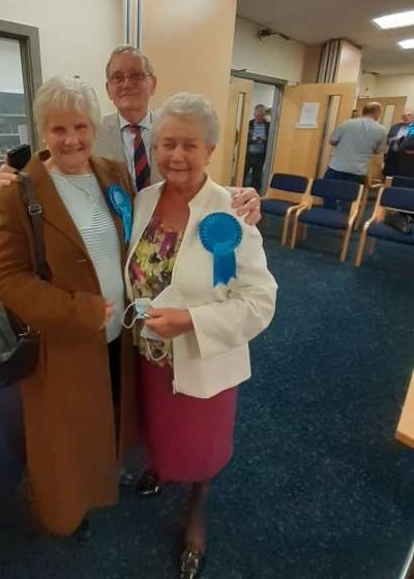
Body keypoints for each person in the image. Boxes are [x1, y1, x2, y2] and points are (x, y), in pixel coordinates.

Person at [125, 92, 277, 579]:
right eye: (168, 143)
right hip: (148, 355)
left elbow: (257, 301)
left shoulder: (230, 212)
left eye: (190, 144)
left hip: (203, 358)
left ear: (211, 149)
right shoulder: (143, 199)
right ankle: (160, 467)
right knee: (157, 429)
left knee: (202, 445)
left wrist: (190, 320)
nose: (177, 156)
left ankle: (198, 506)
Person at [0, 76, 139, 537]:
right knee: (64, 434)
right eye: (58, 130)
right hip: (64, 338)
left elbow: (146, 226)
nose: (71, 139)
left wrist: (235, 199)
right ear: (41, 131)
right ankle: (66, 511)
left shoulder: (113, 173)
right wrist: (79, 311)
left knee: (108, 410)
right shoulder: (21, 192)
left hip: (120, 333)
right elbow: (6, 280)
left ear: (95, 127)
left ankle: (105, 478)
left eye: (80, 126)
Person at [0, 45, 262, 224]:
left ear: (152, 83)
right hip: (112, 241)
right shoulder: (88, 135)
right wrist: (19, 179)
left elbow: (188, 178)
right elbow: (58, 169)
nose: (127, 84)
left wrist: (234, 197)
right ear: (108, 88)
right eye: (117, 77)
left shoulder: (172, 133)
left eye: (136, 76)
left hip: (171, 231)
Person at [323, 101, 386, 210]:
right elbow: (378, 151)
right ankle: (346, 220)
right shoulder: (381, 130)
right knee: (350, 199)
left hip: (337, 167)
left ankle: (328, 217)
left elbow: (332, 141)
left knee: (329, 194)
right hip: (358, 171)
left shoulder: (347, 123)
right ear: (377, 112)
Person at [243, 103, 270, 191]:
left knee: (257, 177)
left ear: (264, 115)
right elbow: (243, 139)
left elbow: (271, 138)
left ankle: (255, 194)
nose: (259, 117)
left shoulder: (268, 125)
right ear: (254, 114)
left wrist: (264, 139)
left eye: (261, 115)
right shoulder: (248, 124)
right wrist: (253, 140)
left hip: (260, 155)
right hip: (248, 154)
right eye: (257, 115)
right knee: (243, 174)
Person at [385, 109, 413, 176]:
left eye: (409, 115)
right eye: (404, 116)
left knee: (400, 179)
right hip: (392, 156)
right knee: (388, 176)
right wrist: (391, 140)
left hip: (407, 158)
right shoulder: (395, 127)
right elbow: (387, 140)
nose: (406, 117)